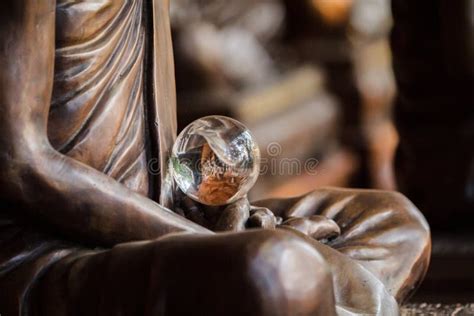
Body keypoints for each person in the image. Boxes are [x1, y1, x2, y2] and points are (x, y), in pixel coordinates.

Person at [0, 1, 430, 315]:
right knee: (272, 268)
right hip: (54, 256)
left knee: (394, 222)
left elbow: (142, 143)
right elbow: (20, 164)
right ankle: (310, 290)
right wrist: (209, 241)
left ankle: (310, 293)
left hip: (162, 214)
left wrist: (217, 209)